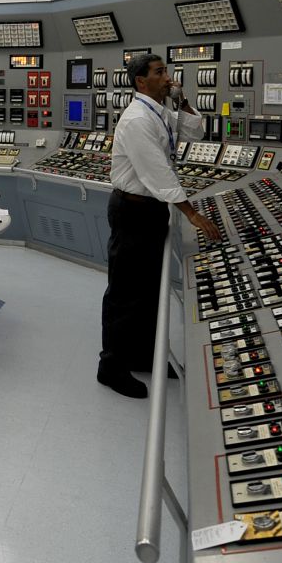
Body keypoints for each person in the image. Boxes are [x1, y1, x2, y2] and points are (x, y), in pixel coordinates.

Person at [98, 54, 224, 399]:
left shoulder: (158, 110)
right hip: (132, 211)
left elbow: (194, 129)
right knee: (125, 293)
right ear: (141, 81)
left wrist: (180, 98)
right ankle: (111, 366)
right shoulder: (137, 119)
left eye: (166, 71)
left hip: (151, 211)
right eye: (160, 72)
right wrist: (192, 213)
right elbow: (158, 172)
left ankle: (141, 355)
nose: (167, 77)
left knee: (148, 290)